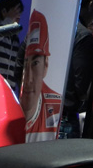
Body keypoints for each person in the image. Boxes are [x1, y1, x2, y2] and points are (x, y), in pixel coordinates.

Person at [62, 0, 93, 138]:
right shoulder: (83, 36)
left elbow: (21, 60)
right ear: (91, 4)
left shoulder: (49, 23)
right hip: (64, 117)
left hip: (36, 111)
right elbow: (81, 83)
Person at [20, 10, 62, 142]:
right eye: (25, 64)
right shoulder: (6, 107)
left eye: (35, 63)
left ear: (46, 65)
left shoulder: (57, 109)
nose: (28, 79)